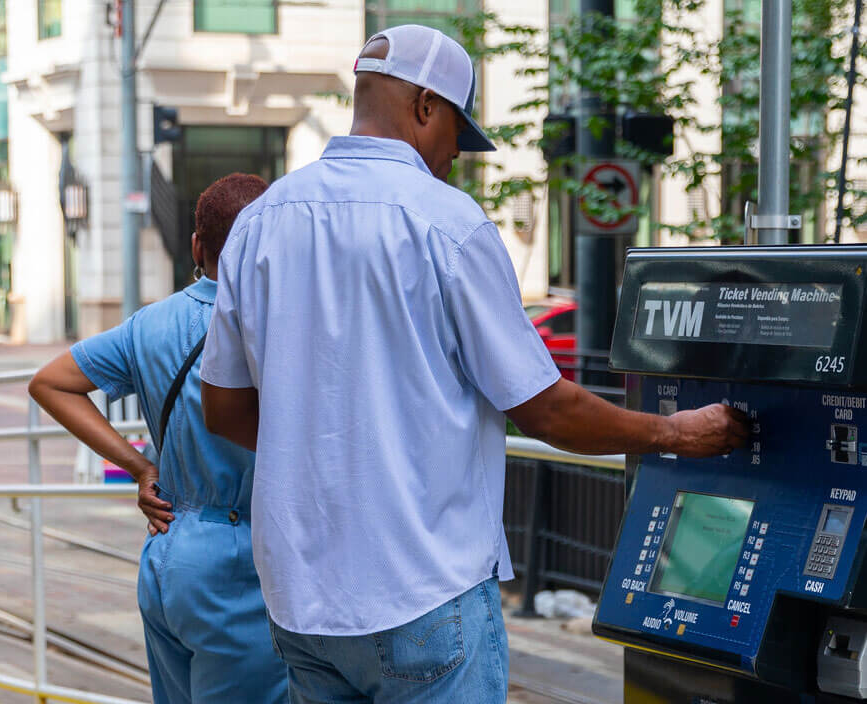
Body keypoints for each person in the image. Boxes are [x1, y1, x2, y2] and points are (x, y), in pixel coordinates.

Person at [199, 25, 749, 704]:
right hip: (424, 593)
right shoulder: (446, 223)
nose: (457, 154)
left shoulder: (261, 220)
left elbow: (223, 408)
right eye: (457, 130)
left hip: (301, 601)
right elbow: (544, 406)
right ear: (426, 105)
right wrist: (675, 433)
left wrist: (327, 440)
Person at [29, 173, 287, 704]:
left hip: (170, 555)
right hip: (246, 565)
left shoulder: (150, 324)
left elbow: (50, 382)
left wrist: (142, 467)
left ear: (197, 246)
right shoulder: (281, 322)